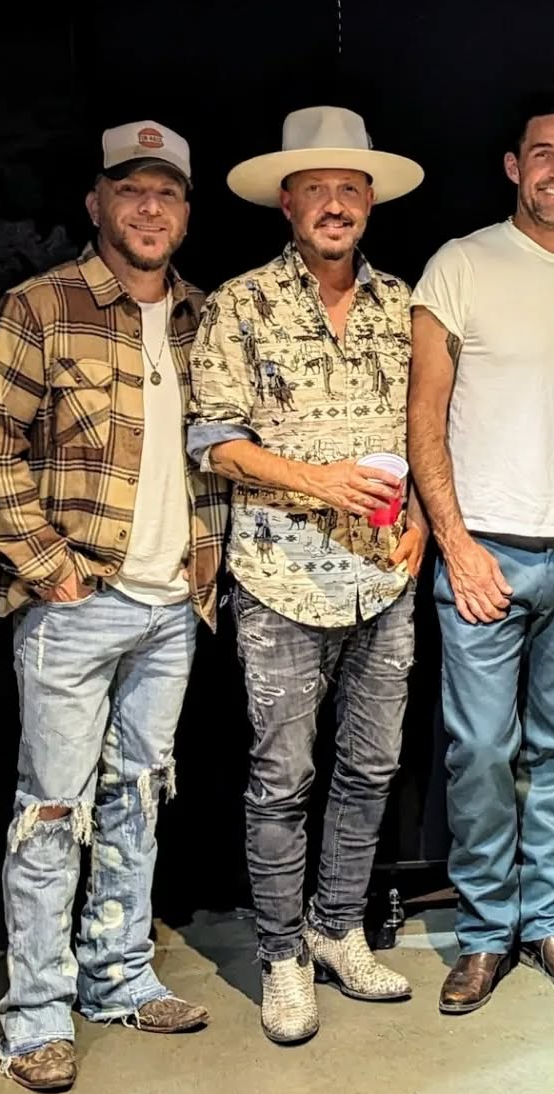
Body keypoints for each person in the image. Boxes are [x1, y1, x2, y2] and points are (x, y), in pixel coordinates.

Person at [0, 121, 221, 1090]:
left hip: (170, 606)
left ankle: (117, 974)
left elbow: (219, 451)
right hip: (79, 603)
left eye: (167, 193)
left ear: (185, 211)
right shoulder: (40, 307)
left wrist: (207, 565)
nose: (150, 209)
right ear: (97, 203)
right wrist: (52, 568)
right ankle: (34, 1014)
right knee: (52, 808)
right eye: (131, 190)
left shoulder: (200, 316)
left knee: (137, 801)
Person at [187, 106, 426, 1044]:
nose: (335, 203)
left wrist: (421, 528)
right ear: (287, 202)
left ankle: (338, 928)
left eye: (350, 188)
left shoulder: (404, 304)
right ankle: (282, 954)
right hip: (280, 578)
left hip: (383, 577)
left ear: (370, 201)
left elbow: (429, 432)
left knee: (370, 767)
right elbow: (211, 438)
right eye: (316, 188)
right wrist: (316, 480)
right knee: (282, 776)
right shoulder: (240, 304)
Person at [407, 90, 554, 1015]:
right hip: (486, 547)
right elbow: (425, 415)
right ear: (513, 168)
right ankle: (487, 933)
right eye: (542, 153)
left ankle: (551, 923)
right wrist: (455, 541)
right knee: (482, 751)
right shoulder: (460, 265)